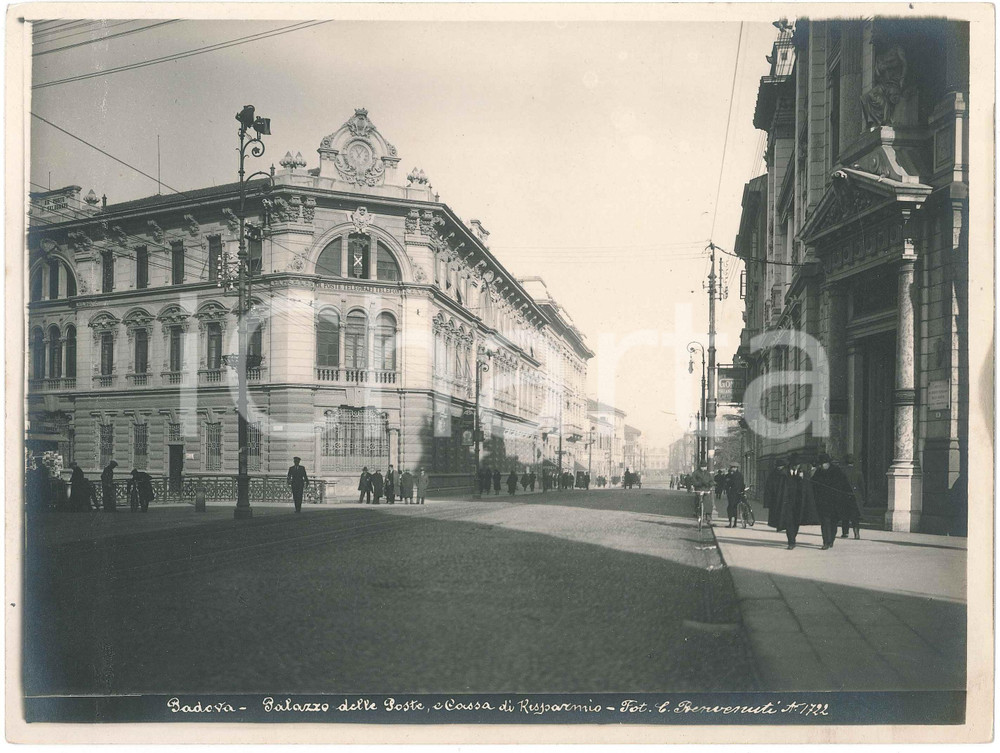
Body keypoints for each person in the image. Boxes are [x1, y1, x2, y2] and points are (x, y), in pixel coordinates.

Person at [769, 454, 820, 549]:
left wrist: (803, 478)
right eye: (794, 464)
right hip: (787, 502)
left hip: (799, 502)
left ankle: (793, 538)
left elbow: (807, 488)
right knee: (789, 522)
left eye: (798, 464)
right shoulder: (784, 473)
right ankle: (791, 542)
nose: (796, 466)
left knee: (796, 522)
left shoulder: (803, 473)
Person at [811, 453, 855, 549]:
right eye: (821, 464)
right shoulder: (818, 472)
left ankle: (831, 540)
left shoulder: (837, 471)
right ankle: (826, 542)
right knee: (825, 522)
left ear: (829, 463)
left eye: (825, 463)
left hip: (835, 502)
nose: (823, 465)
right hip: (823, 502)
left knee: (833, 523)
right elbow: (812, 484)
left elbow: (845, 485)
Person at [841, 454, 866, 539]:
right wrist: (863, 497)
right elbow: (862, 486)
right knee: (855, 516)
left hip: (844, 495)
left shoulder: (842, 471)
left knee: (845, 515)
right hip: (855, 496)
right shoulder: (858, 471)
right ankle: (856, 533)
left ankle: (845, 533)